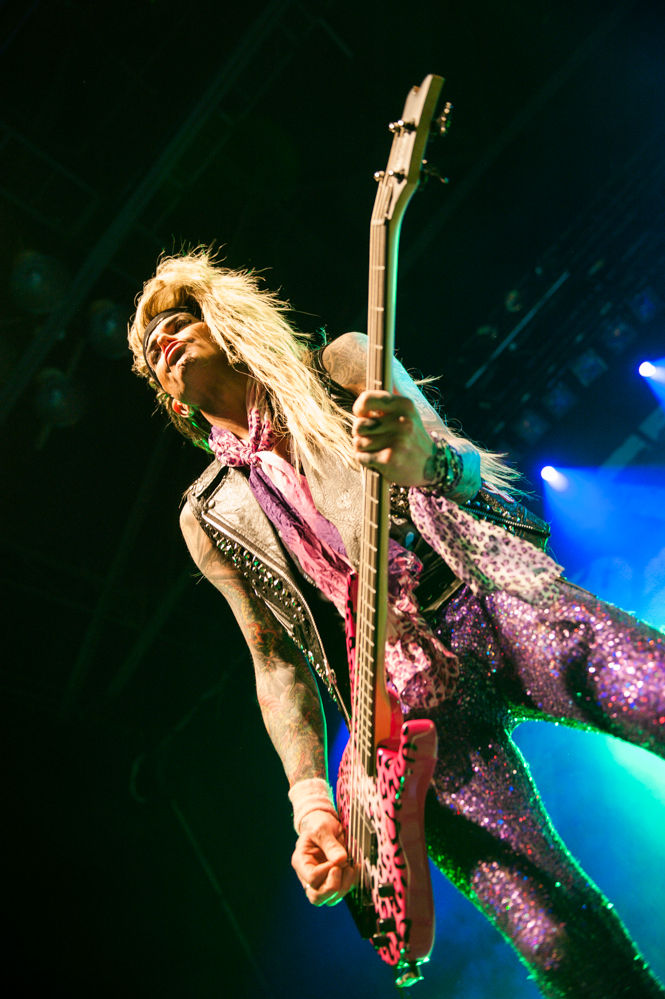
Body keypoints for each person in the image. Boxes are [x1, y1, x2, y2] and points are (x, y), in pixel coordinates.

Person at [129, 249, 665, 998]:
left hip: (485, 599)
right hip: (403, 710)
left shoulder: (343, 365)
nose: (163, 339)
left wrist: (424, 460)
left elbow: (467, 469)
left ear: (227, 322)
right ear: (170, 398)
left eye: (179, 319)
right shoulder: (209, 514)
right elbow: (274, 660)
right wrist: (311, 805)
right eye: (150, 345)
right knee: (552, 937)